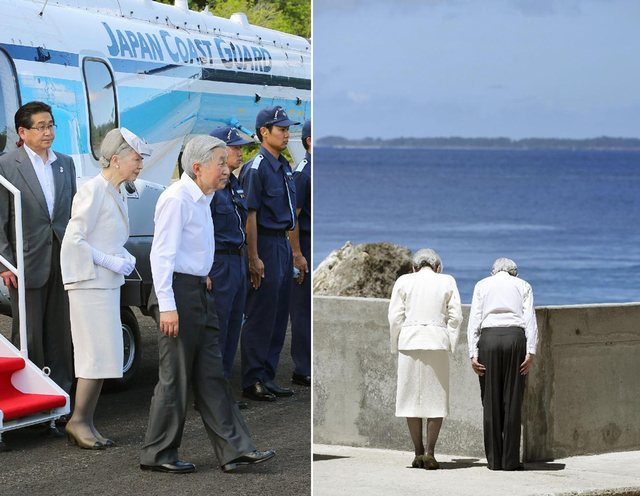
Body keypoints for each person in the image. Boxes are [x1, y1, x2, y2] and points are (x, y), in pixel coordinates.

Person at [140, 134, 275, 474]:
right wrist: (168, 306)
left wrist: (203, 275)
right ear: (197, 167)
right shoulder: (177, 199)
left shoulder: (202, 196)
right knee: (175, 378)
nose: (227, 167)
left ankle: (235, 450)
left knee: (212, 375)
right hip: (177, 294)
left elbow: (193, 247)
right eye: (219, 162)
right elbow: (162, 256)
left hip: (199, 290)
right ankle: (157, 454)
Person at [60, 128, 150, 449]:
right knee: (92, 355)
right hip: (89, 285)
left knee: (104, 355)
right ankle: (78, 421)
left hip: (104, 285)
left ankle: (86, 421)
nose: (140, 166)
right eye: (136, 160)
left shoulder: (115, 191)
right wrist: (110, 261)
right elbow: (75, 240)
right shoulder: (93, 191)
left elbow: (107, 237)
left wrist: (121, 255)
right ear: (115, 159)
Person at [0, 101, 76, 397]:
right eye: (41, 127)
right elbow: (1, 218)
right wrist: (5, 263)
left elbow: (70, 214)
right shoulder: (6, 165)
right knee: (29, 334)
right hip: (25, 262)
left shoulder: (64, 163)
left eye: (51, 125)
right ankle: (31, 396)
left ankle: (60, 398)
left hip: (62, 259)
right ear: (23, 131)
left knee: (60, 331)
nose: (48, 132)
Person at [239, 106, 300, 402]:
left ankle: (268, 375)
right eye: (282, 130)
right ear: (264, 132)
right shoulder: (256, 167)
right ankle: (252, 379)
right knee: (261, 313)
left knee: (278, 314)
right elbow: (250, 215)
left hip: (282, 244)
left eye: (288, 130)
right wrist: (253, 257)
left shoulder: (284, 165)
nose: (287, 134)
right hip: (264, 242)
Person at [388, 249, 462, 470]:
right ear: (438, 267)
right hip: (436, 342)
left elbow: (394, 316)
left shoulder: (404, 280)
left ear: (414, 267)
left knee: (410, 399)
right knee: (436, 399)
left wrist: (396, 342)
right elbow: (455, 316)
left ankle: (417, 452)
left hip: (409, 342)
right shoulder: (447, 280)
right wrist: (450, 341)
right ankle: (430, 452)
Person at [467, 258, 538, 471]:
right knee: (512, 400)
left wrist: (473, 353)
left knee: (490, 401)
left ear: (492, 273)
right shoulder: (523, 285)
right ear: (515, 274)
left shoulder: (482, 285)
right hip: (515, 339)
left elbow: (474, 321)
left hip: (488, 340)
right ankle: (510, 461)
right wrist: (531, 351)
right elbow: (530, 320)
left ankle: (494, 461)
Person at [207, 126, 252, 401]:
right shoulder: (212, 188)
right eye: (234, 147)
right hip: (219, 262)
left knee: (234, 327)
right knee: (218, 332)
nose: (239, 152)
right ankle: (212, 394)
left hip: (237, 261)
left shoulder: (234, 184)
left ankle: (221, 389)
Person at [288, 119, 311, 386]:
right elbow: (294, 218)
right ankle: (302, 367)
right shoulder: (303, 173)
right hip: (305, 243)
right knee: (302, 308)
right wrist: (297, 253)